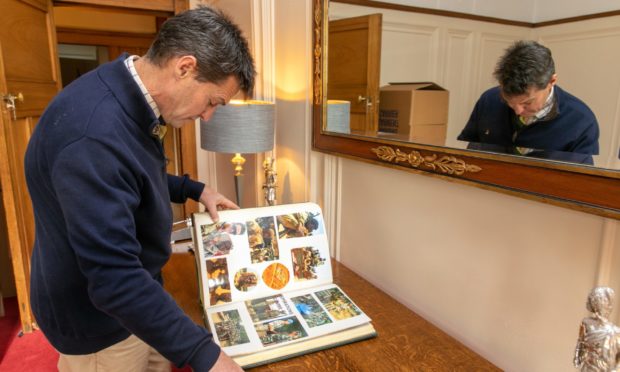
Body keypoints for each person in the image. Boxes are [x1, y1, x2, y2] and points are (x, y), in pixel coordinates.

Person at [24, 6, 254, 372]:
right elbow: (114, 279)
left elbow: (127, 178)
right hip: (98, 322)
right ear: (185, 67)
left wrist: (194, 189)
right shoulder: (93, 135)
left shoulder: (127, 94)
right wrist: (209, 358)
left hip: (134, 301)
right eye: (213, 102)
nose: (208, 116)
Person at [458, 40, 599, 159]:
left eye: (527, 102)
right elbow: (467, 148)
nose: (518, 110)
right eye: (508, 100)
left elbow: (583, 181)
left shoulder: (581, 121)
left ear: (552, 81)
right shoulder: (489, 100)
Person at [573, 287, 620, 371]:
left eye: (603, 300)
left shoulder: (615, 332)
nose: (600, 303)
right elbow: (581, 342)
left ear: (608, 304)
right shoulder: (586, 323)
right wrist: (577, 358)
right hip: (589, 366)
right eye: (597, 300)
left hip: (606, 368)